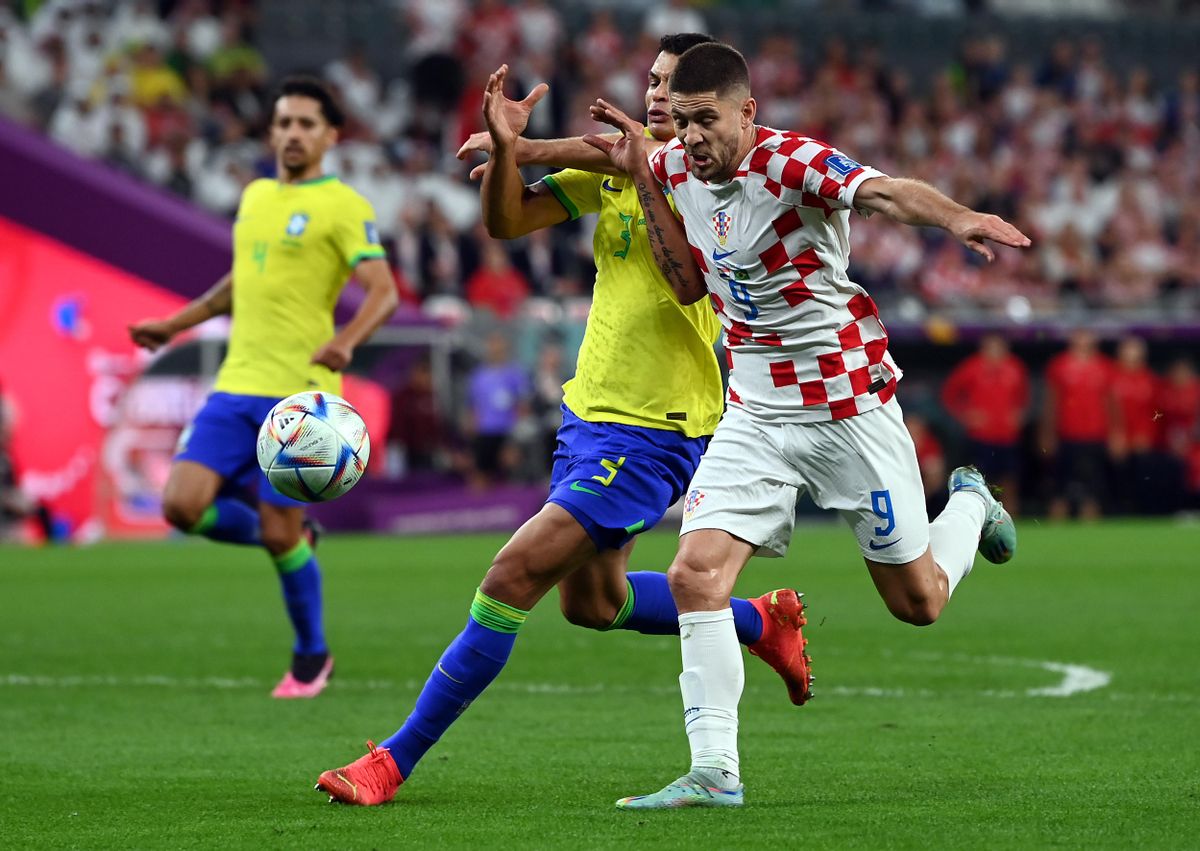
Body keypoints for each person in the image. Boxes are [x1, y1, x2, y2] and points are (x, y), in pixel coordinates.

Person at [315, 36, 812, 807]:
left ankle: (393, 758)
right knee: (593, 604)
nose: (654, 94)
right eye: (651, 80)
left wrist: (589, 154)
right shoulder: (615, 169)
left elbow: (686, 282)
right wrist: (512, 155)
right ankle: (756, 618)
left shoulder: (709, 181)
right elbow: (507, 221)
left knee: (511, 574)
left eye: (671, 85)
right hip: (590, 417)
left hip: (656, 429)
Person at [585, 41, 1028, 808]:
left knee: (917, 601)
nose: (689, 137)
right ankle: (714, 769)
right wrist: (515, 145)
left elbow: (885, 194)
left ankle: (970, 504)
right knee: (695, 575)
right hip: (755, 410)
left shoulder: (793, 164)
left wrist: (959, 218)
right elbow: (627, 168)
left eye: (705, 120)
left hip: (847, 406)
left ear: (746, 112)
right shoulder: (672, 166)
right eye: (680, 122)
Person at [128, 76, 399, 698]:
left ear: (330, 136)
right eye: (283, 123)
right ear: (271, 132)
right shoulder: (253, 196)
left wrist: (346, 341)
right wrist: (173, 324)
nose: (293, 134)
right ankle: (292, 533)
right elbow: (238, 284)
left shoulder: (344, 205)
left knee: (278, 540)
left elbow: (383, 292)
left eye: (306, 124)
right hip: (235, 384)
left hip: (299, 396)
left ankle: (311, 656)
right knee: (180, 506)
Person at [941, 334, 1030, 515]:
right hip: (981, 435)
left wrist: (1018, 415)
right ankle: (981, 515)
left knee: (1010, 478)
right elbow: (949, 395)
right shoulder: (971, 367)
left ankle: (1011, 516)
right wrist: (966, 415)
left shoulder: (1015, 367)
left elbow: (1023, 397)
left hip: (1007, 435)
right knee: (981, 479)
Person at [1040, 329, 1113, 520]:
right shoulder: (1059, 365)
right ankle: (1055, 531)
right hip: (1066, 434)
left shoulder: (1104, 366)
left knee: (1093, 488)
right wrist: (1047, 433)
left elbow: (1111, 403)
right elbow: (1051, 402)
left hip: (1095, 434)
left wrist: (1116, 433)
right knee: (1060, 487)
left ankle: (1090, 532)